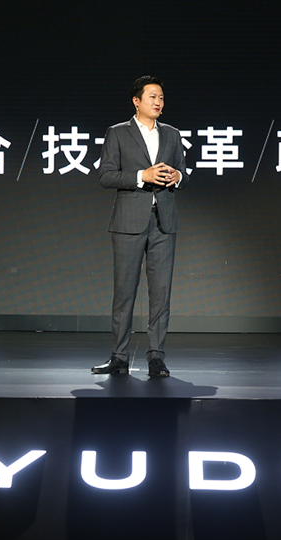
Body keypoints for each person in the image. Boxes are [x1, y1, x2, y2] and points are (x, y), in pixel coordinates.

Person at [92, 75, 189, 378]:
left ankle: (156, 357)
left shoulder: (172, 134)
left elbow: (183, 172)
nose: (158, 102)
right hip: (128, 222)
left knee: (161, 294)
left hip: (164, 222)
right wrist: (140, 176)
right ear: (136, 101)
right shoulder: (118, 133)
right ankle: (119, 357)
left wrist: (177, 177)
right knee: (125, 292)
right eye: (152, 97)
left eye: (161, 97)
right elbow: (106, 175)